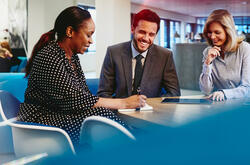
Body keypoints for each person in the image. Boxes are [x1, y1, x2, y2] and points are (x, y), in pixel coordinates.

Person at [17, 6, 146, 147]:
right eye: (89, 35)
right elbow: (74, 100)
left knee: (101, 115)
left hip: (59, 114)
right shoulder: (49, 56)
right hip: (41, 119)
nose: (91, 41)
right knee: (100, 117)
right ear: (70, 31)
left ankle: (135, 145)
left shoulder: (72, 58)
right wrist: (124, 103)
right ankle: (138, 146)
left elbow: (83, 96)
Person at [97, 9, 180, 98]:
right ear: (133, 29)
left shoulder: (165, 56)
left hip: (152, 110)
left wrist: (150, 106)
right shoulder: (113, 52)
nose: (146, 38)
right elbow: (103, 93)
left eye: (151, 34)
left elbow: (174, 93)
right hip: (121, 109)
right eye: (142, 32)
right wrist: (122, 105)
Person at [199, 9, 250, 101]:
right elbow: (206, 90)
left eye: (217, 32)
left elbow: (247, 88)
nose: (212, 37)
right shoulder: (208, 52)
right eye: (210, 32)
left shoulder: (245, 49)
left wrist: (224, 93)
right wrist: (207, 64)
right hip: (219, 106)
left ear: (228, 32)